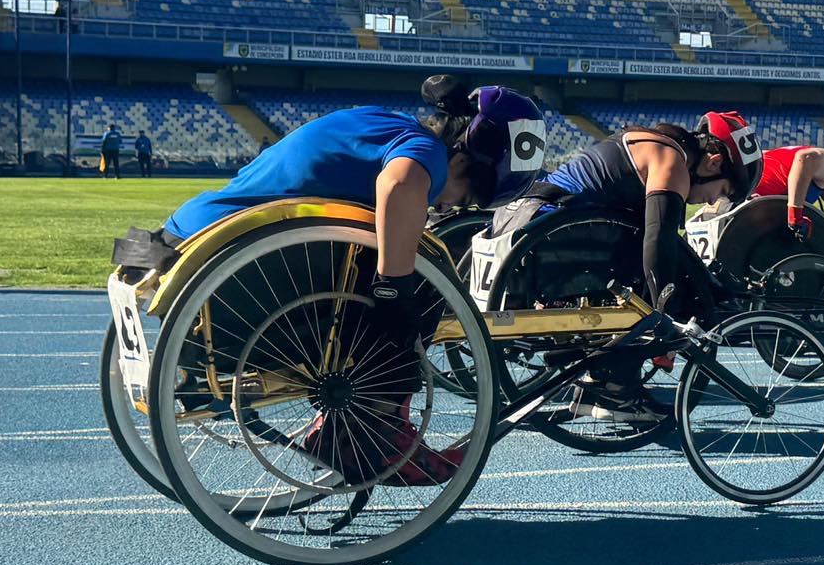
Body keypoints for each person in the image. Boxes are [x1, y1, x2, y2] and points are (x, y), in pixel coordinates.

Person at [125, 75, 547, 486]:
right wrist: (393, 287)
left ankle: (357, 426)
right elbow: (399, 185)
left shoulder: (381, 121)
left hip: (183, 240)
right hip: (233, 272)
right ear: (461, 160)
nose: (452, 204)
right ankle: (371, 436)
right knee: (421, 281)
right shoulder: (428, 154)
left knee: (388, 259)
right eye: (468, 195)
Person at [488, 110, 763, 421]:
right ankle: (616, 390)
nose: (713, 202)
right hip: (549, 237)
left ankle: (600, 383)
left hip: (527, 222)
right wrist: (664, 317)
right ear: (713, 163)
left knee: (655, 264)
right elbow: (658, 243)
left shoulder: (651, 141)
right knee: (661, 276)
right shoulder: (672, 162)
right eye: (723, 191)